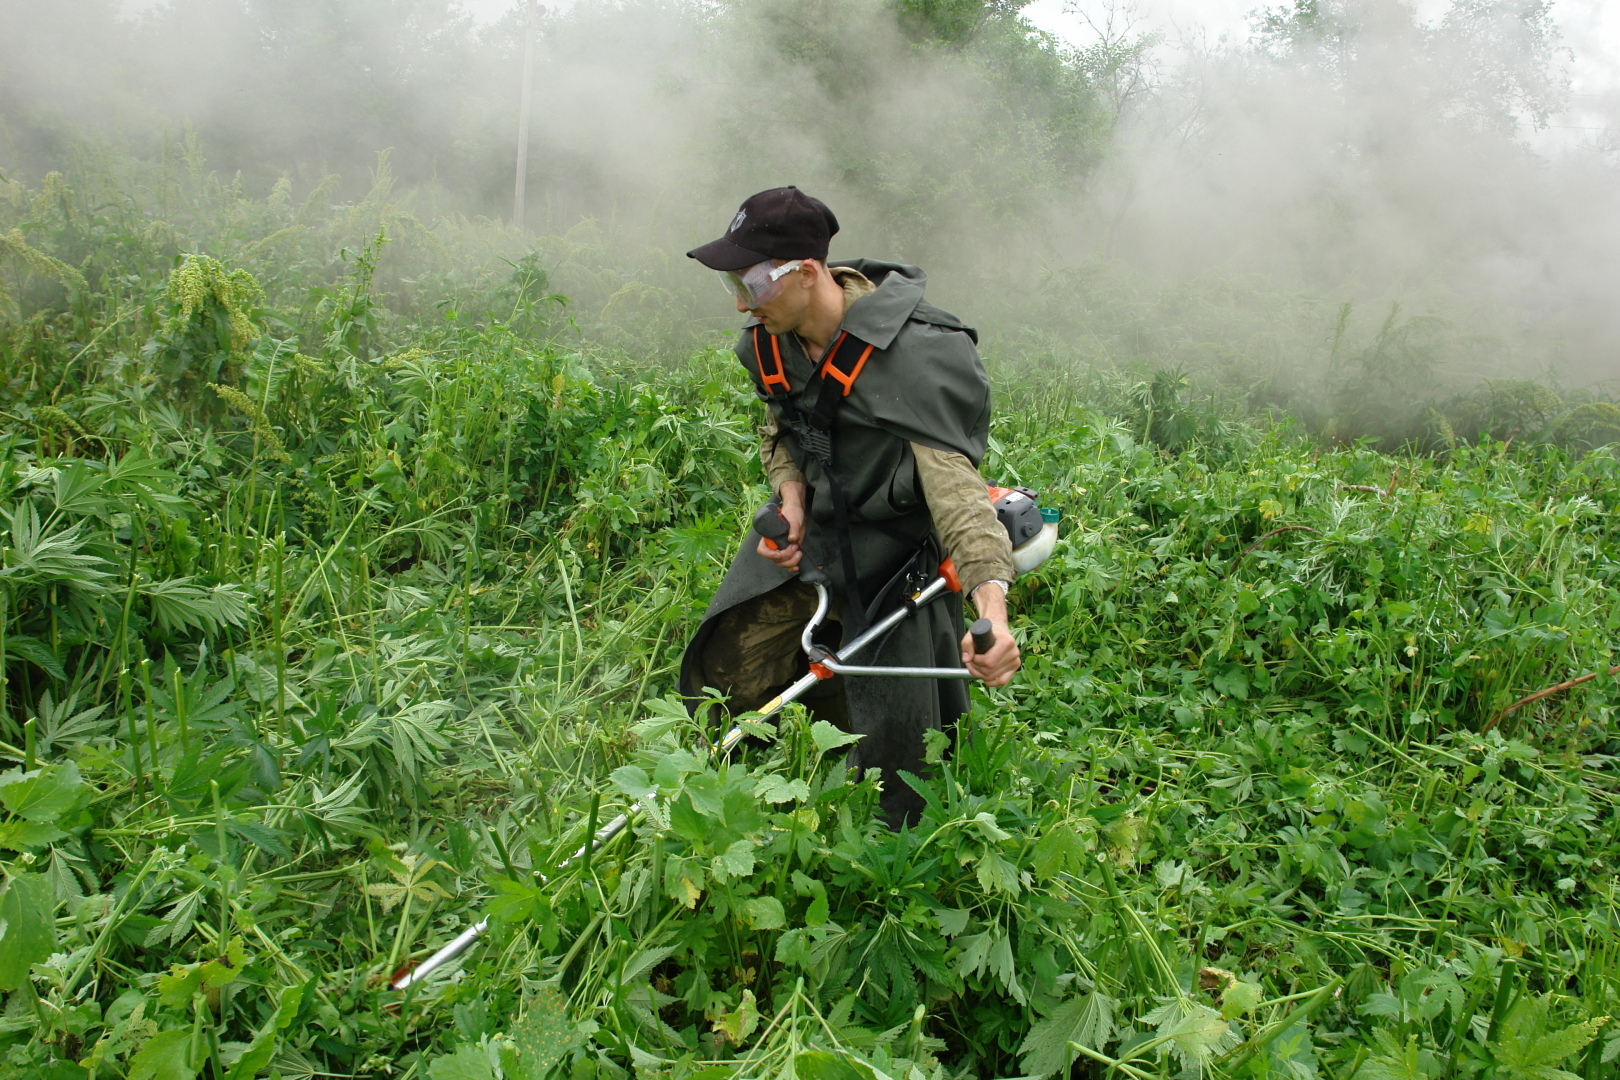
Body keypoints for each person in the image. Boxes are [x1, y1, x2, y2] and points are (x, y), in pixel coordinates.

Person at [678, 186, 1020, 825]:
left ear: (807, 273)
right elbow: (780, 425)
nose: (739, 303)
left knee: (900, 763)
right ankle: (741, 781)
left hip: (895, 551)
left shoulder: (918, 354)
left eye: (750, 281)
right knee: (725, 668)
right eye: (731, 281)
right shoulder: (769, 341)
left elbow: (957, 495)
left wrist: (992, 611)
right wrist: (791, 493)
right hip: (817, 535)